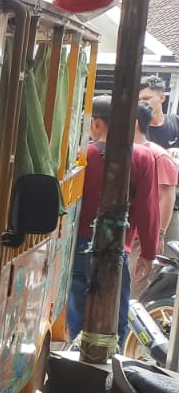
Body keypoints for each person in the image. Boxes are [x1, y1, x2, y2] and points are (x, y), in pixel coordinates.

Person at [67, 95, 163, 348]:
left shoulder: (82, 155)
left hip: (79, 247)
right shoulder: (143, 157)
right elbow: (148, 208)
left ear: (97, 124)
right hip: (117, 248)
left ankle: (79, 360)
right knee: (116, 318)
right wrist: (149, 253)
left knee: (77, 312)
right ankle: (112, 363)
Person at [133, 102, 177, 290]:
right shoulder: (125, 152)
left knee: (136, 285)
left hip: (142, 237)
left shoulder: (158, 155)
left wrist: (158, 235)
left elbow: (166, 197)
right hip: (128, 234)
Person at [141, 75, 179, 150]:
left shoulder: (176, 122)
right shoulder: (135, 129)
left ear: (162, 98)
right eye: (138, 100)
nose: (141, 103)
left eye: (146, 98)